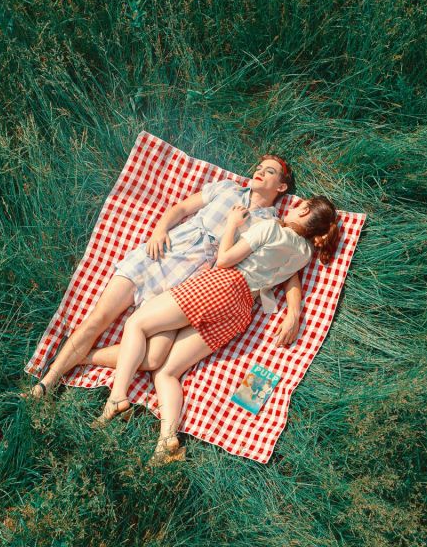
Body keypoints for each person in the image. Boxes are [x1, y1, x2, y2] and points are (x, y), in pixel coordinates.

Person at [23, 155, 305, 399]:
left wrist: (294, 312)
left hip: (191, 284)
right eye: (259, 166)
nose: (260, 171)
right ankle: (47, 383)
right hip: (164, 253)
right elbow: (182, 209)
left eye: (270, 171)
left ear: (281, 187)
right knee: (98, 319)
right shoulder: (227, 189)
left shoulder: (272, 225)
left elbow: (288, 273)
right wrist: (159, 231)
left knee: (155, 357)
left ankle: (82, 359)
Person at [89, 195, 341, 466]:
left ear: (304, 211)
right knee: (166, 372)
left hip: (223, 285)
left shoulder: (270, 228)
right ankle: (167, 441)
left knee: (136, 323)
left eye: (297, 206)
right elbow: (290, 279)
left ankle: (117, 397)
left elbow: (224, 260)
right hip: (241, 312)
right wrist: (295, 312)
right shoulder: (304, 254)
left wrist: (232, 224)